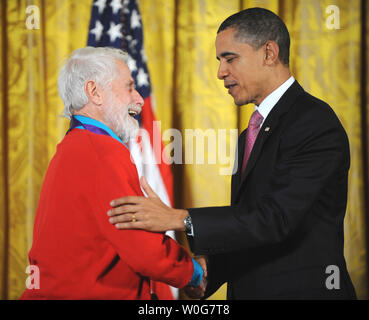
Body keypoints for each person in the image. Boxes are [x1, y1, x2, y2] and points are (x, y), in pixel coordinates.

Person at [107, 8, 357, 299]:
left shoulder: (314, 122)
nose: (220, 72)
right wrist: (208, 273)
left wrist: (179, 219)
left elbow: (275, 219)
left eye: (230, 58)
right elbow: (249, 226)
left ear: (269, 53)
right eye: (219, 60)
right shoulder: (251, 133)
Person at [20, 47, 205, 300]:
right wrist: (194, 273)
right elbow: (143, 250)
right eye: (129, 87)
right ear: (94, 92)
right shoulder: (102, 152)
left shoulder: (73, 146)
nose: (139, 99)